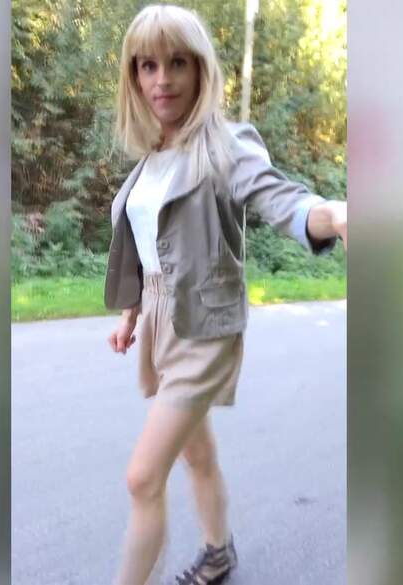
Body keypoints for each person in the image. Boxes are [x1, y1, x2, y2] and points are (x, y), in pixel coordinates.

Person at [104, 4, 347, 584]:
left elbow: (280, 198)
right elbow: (147, 242)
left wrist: (332, 214)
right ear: (133, 76)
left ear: (201, 69)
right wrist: (132, 313)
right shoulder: (151, 156)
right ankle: (218, 553)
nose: (162, 79)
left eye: (177, 63)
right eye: (147, 66)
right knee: (197, 453)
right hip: (161, 321)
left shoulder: (226, 146)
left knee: (142, 478)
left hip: (204, 328)